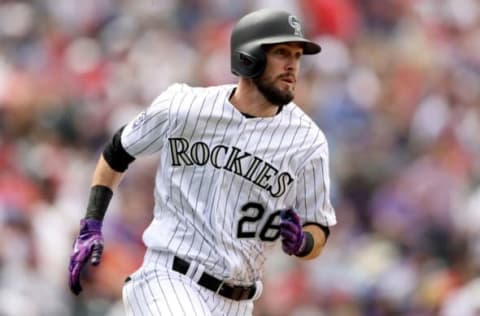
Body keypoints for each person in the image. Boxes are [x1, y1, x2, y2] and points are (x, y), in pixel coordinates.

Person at [68, 8, 336, 316]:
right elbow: (117, 152)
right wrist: (91, 223)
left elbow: (319, 227)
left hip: (239, 302)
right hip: (170, 279)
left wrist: (303, 242)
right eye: (281, 52)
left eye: (298, 55)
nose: (292, 65)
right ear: (247, 57)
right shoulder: (185, 106)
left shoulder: (308, 142)